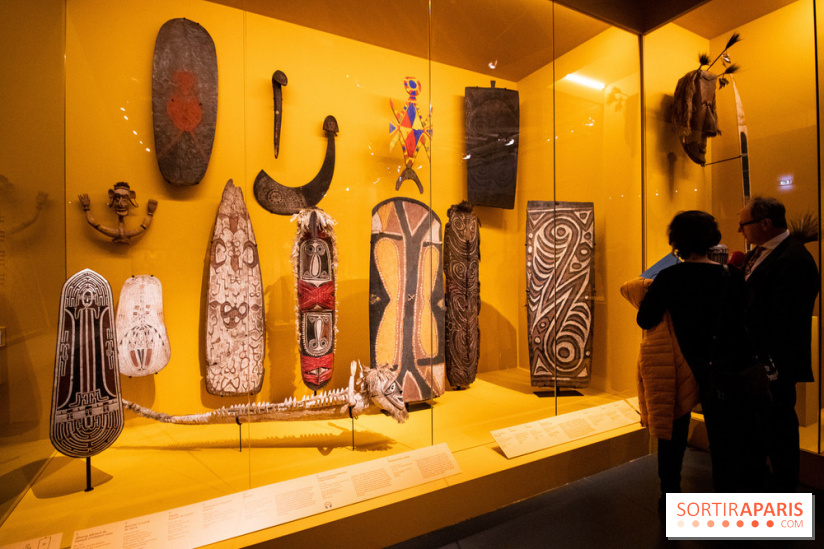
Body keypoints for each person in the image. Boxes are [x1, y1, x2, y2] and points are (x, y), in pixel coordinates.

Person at [637, 210, 767, 493]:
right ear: (711, 238)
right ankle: (727, 497)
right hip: (721, 365)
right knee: (723, 439)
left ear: (677, 240)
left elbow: (645, 319)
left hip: (679, 364)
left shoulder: (668, 277)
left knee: (672, 436)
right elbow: (742, 321)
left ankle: (670, 492)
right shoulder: (731, 275)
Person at [738, 197, 819, 492]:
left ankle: (786, 494)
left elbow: (782, 316)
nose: (740, 230)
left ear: (765, 224)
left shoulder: (794, 258)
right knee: (761, 427)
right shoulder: (759, 253)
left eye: (743, 224)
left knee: (780, 428)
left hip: (776, 362)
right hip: (756, 360)